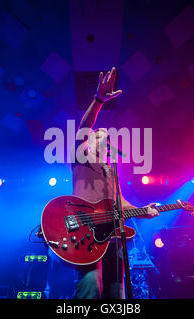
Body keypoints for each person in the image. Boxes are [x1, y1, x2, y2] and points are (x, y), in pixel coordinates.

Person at [71, 67, 159, 299]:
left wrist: (144, 211)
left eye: (106, 136)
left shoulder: (112, 170)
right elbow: (83, 128)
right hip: (87, 231)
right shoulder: (82, 157)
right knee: (91, 285)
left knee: (116, 291)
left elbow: (121, 204)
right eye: (98, 134)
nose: (104, 137)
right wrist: (99, 100)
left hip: (112, 234)